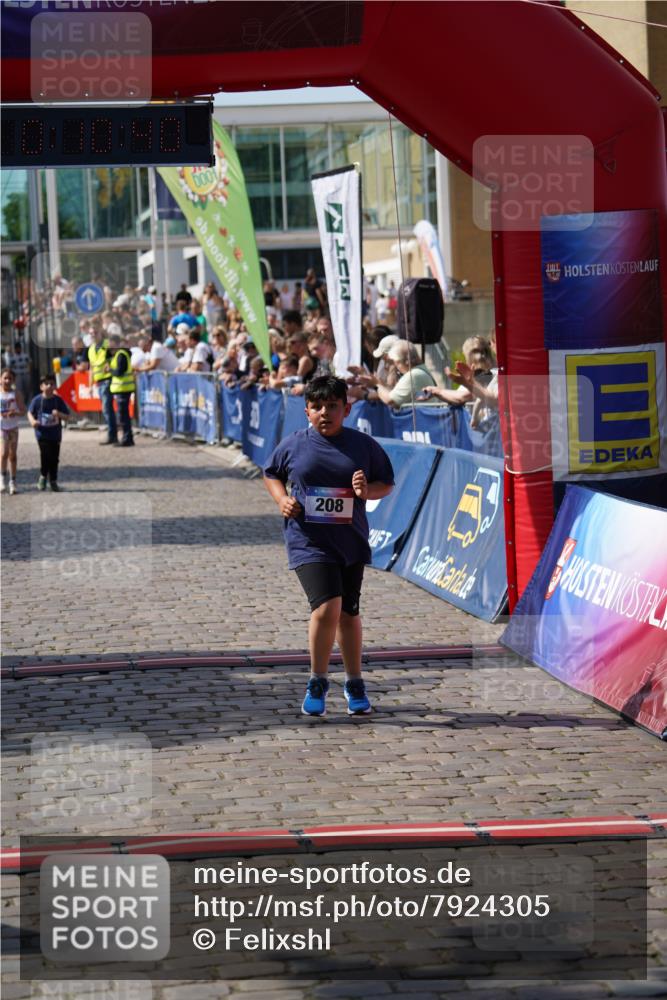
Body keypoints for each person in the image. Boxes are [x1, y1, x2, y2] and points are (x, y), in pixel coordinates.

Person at [263, 375, 394, 717]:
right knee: (327, 607)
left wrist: (367, 491)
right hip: (308, 540)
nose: (325, 412)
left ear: (346, 410)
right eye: (317, 407)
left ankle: (354, 683)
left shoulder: (363, 445)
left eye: (332, 406)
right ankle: (317, 681)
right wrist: (282, 500)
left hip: (350, 541)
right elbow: (271, 473)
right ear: (306, 411)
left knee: (348, 612)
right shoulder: (294, 444)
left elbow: (386, 483)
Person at [27, 374, 70, 490]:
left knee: (55, 458)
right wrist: (33, 422)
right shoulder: (37, 400)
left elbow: (67, 416)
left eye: (52, 384)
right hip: (42, 434)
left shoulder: (58, 400)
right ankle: (43, 476)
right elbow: (29, 413)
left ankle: (53, 480)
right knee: (45, 455)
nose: (50, 386)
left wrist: (59, 414)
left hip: (55, 434)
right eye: (47, 384)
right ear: (41, 387)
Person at [362, 340, 435, 407]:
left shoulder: (413, 375)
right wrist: (378, 383)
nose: (396, 366)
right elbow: (394, 392)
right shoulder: (418, 371)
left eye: (396, 363)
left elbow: (390, 400)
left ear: (406, 362)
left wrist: (376, 385)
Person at [88, 325, 117, 445]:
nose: (93, 335)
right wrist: (90, 385)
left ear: (100, 333)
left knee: (107, 409)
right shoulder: (91, 349)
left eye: (95, 332)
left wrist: (111, 366)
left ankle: (112, 435)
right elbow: (91, 368)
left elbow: (115, 357)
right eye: (91, 333)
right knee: (107, 409)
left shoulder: (107, 344)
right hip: (99, 382)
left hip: (107, 379)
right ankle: (112, 434)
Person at [0, 367, 26, 494]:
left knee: (13, 455)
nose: (7, 381)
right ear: (0, 379)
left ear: (13, 380)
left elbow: (23, 411)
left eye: (10, 378)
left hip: (13, 428)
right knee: (3, 453)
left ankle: (13, 481)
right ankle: (2, 478)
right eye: (5, 378)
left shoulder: (16, 394)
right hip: (2, 428)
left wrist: (14, 412)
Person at [107, 334, 135, 447]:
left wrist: (110, 370)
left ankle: (127, 438)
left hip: (123, 388)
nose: (109, 345)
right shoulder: (119, 354)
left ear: (115, 343)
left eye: (110, 343)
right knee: (123, 415)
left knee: (123, 415)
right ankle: (127, 437)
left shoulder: (121, 354)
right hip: (122, 389)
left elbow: (119, 372)